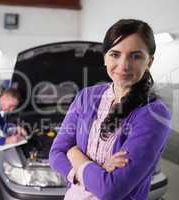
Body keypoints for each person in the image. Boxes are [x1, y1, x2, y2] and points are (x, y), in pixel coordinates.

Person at [49, 19, 171, 200]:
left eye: (136, 56)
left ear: (150, 62)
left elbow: (110, 190)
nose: (124, 65)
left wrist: (75, 155)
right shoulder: (87, 96)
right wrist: (94, 172)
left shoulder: (154, 114)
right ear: (105, 57)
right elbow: (56, 153)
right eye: (115, 54)